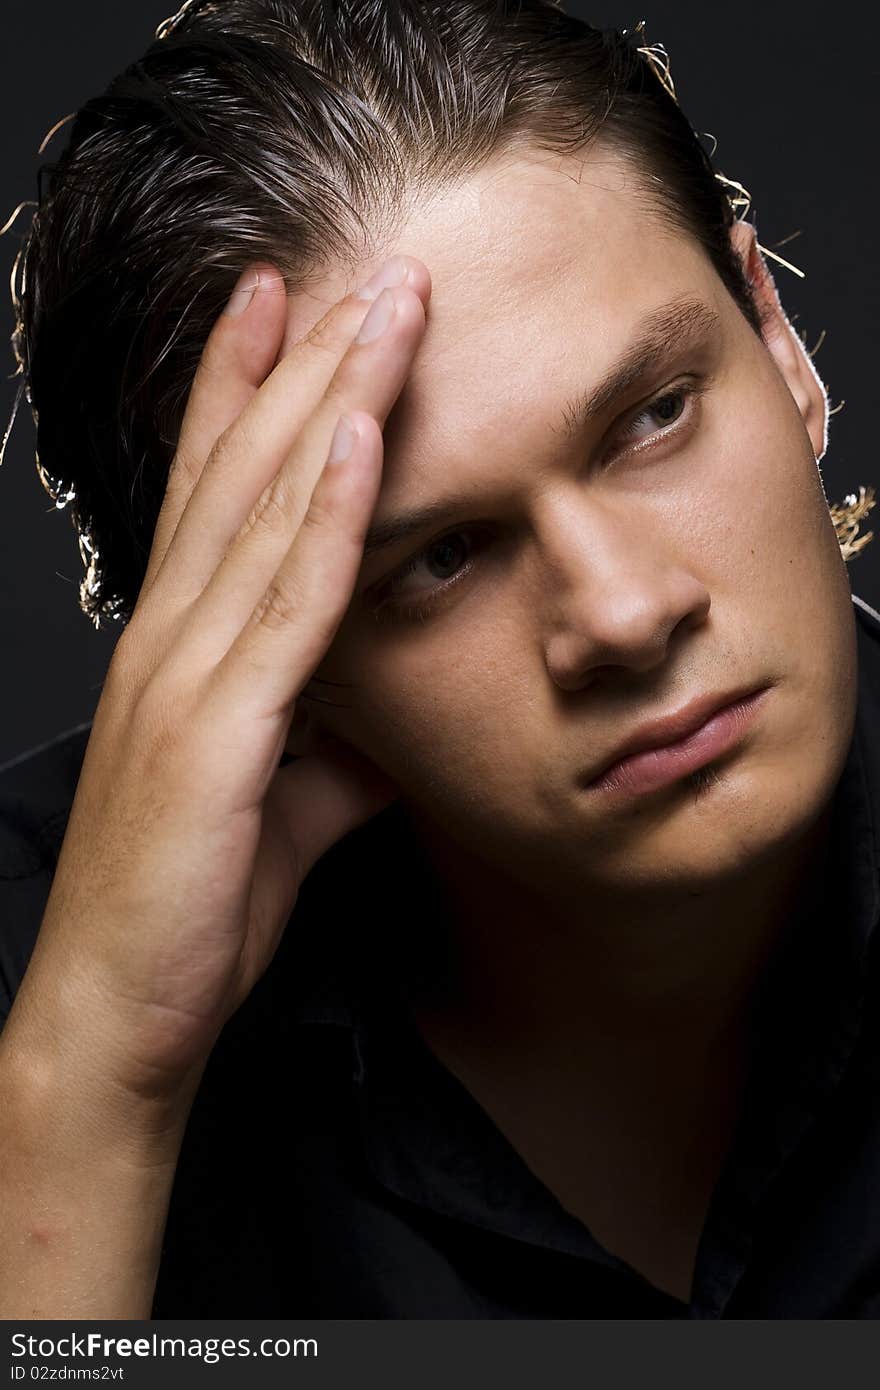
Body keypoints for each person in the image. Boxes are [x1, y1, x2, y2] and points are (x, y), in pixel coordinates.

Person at [0, 0, 878, 1321]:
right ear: (267, 657)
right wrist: (94, 1090)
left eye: (653, 416)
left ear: (779, 343)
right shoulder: (43, 1002)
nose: (628, 614)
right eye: (442, 555)